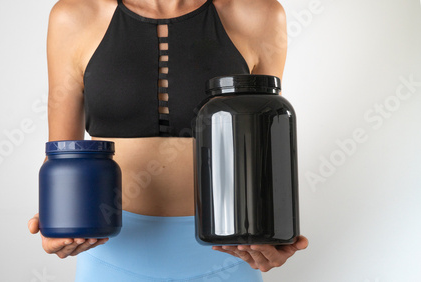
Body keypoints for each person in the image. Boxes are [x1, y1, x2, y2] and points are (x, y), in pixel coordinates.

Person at [28, 0, 309, 280]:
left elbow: (266, 150)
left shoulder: (259, 14)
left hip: (228, 253)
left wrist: (275, 237)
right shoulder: (74, 16)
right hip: (111, 252)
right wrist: (55, 222)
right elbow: (61, 154)